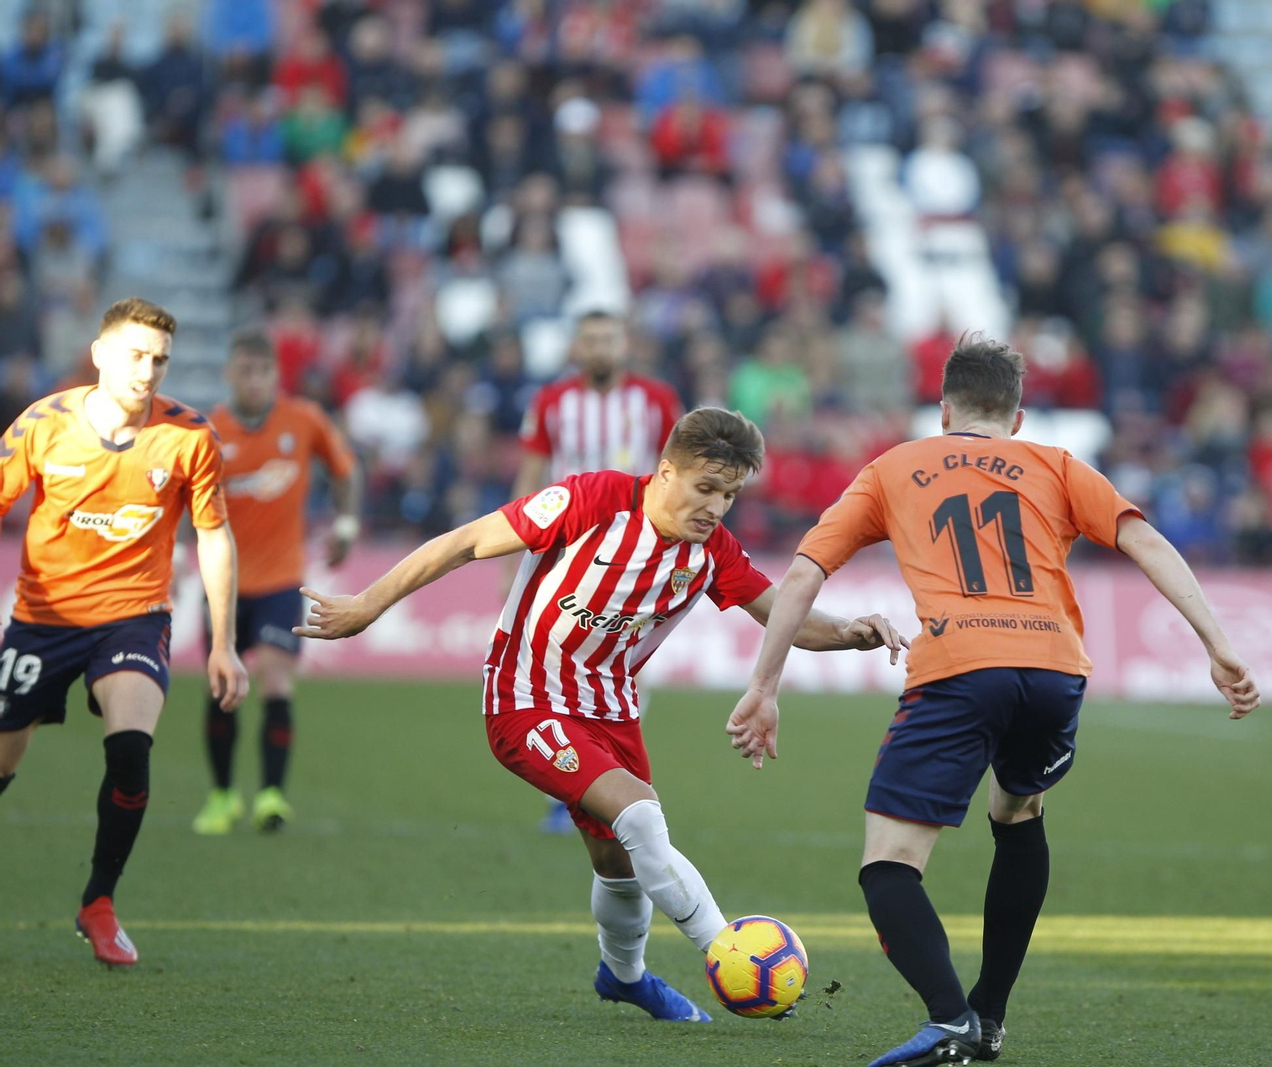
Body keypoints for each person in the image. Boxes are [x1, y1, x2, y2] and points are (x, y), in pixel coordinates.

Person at [727, 339, 1260, 1066]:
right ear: (1018, 414)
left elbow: (801, 577)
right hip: (1054, 669)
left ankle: (951, 1018)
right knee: (1018, 810)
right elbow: (1146, 540)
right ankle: (990, 1013)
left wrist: (763, 686)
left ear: (943, 408)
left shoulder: (892, 467)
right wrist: (1217, 642)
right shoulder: (1057, 464)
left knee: (889, 864)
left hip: (959, 665)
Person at [296, 406, 906, 1021]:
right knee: (641, 819)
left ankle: (623, 976)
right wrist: (367, 604)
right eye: (706, 488)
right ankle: (732, 953)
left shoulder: (712, 552)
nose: (717, 507)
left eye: (730, 493)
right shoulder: (590, 500)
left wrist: (854, 631)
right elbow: (466, 542)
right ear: (666, 472)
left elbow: (786, 617)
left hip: (612, 713)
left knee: (618, 865)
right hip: (525, 701)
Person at [0, 298, 249, 967]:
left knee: (132, 748)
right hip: (41, 619)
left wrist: (222, 641)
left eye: (160, 359)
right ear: (100, 352)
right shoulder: (44, 424)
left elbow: (214, 535)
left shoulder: (190, 436)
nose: (149, 370)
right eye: (137, 355)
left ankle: (99, 901)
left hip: (134, 616)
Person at [513, 308, 683, 833]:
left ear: (623, 344)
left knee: (628, 668)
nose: (600, 347)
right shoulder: (551, 402)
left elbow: (677, 470)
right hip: (565, 547)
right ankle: (566, 787)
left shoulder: (655, 400)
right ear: (577, 348)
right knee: (552, 665)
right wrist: (516, 548)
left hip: (636, 553)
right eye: (590, 339)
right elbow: (532, 472)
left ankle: (605, 778)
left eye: (609, 338)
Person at [192, 329, 360, 835]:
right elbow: (186, 499)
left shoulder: (304, 420)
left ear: (275, 375)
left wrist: (347, 525)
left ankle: (271, 795)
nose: (255, 380)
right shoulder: (209, 431)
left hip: (283, 580)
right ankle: (222, 796)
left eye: (263, 371)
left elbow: (346, 471)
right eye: (245, 370)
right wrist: (180, 552)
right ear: (229, 374)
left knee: (276, 679)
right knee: (223, 685)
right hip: (222, 582)